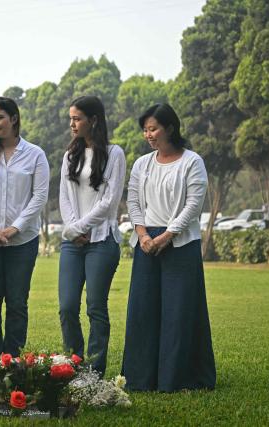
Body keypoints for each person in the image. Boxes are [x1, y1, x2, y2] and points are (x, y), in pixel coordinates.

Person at [121, 103, 216, 392]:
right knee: (143, 310)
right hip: (146, 242)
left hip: (180, 244)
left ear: (170, 128)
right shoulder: (142, 164)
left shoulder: (192, 161)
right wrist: (143, 234)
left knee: (179, 311)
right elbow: (133, 201)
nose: (148, 135)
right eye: (145, 130)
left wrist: (167, 236)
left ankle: (177, 379)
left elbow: (193, 204)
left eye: (153, 128)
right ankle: (140, 379)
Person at [0, 96, 50, 356]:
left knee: (16, 302)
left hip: (22, 242)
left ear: (14, 119)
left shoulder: (35, 154)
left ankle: (12, 361)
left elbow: (39, 196)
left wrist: (15, 228)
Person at [58, 95, 125, 376]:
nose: (72, 124)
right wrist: (73, 229)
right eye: (71, 118)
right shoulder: (69, 155)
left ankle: (94, 372)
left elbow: (109, 202)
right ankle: (74, 366)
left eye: (77, 118)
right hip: (74, 243)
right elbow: (64, 196)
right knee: (67, 307)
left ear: (93, 120)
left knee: (96, 307)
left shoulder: (114, 153)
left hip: (102, 241)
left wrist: (79, 227)